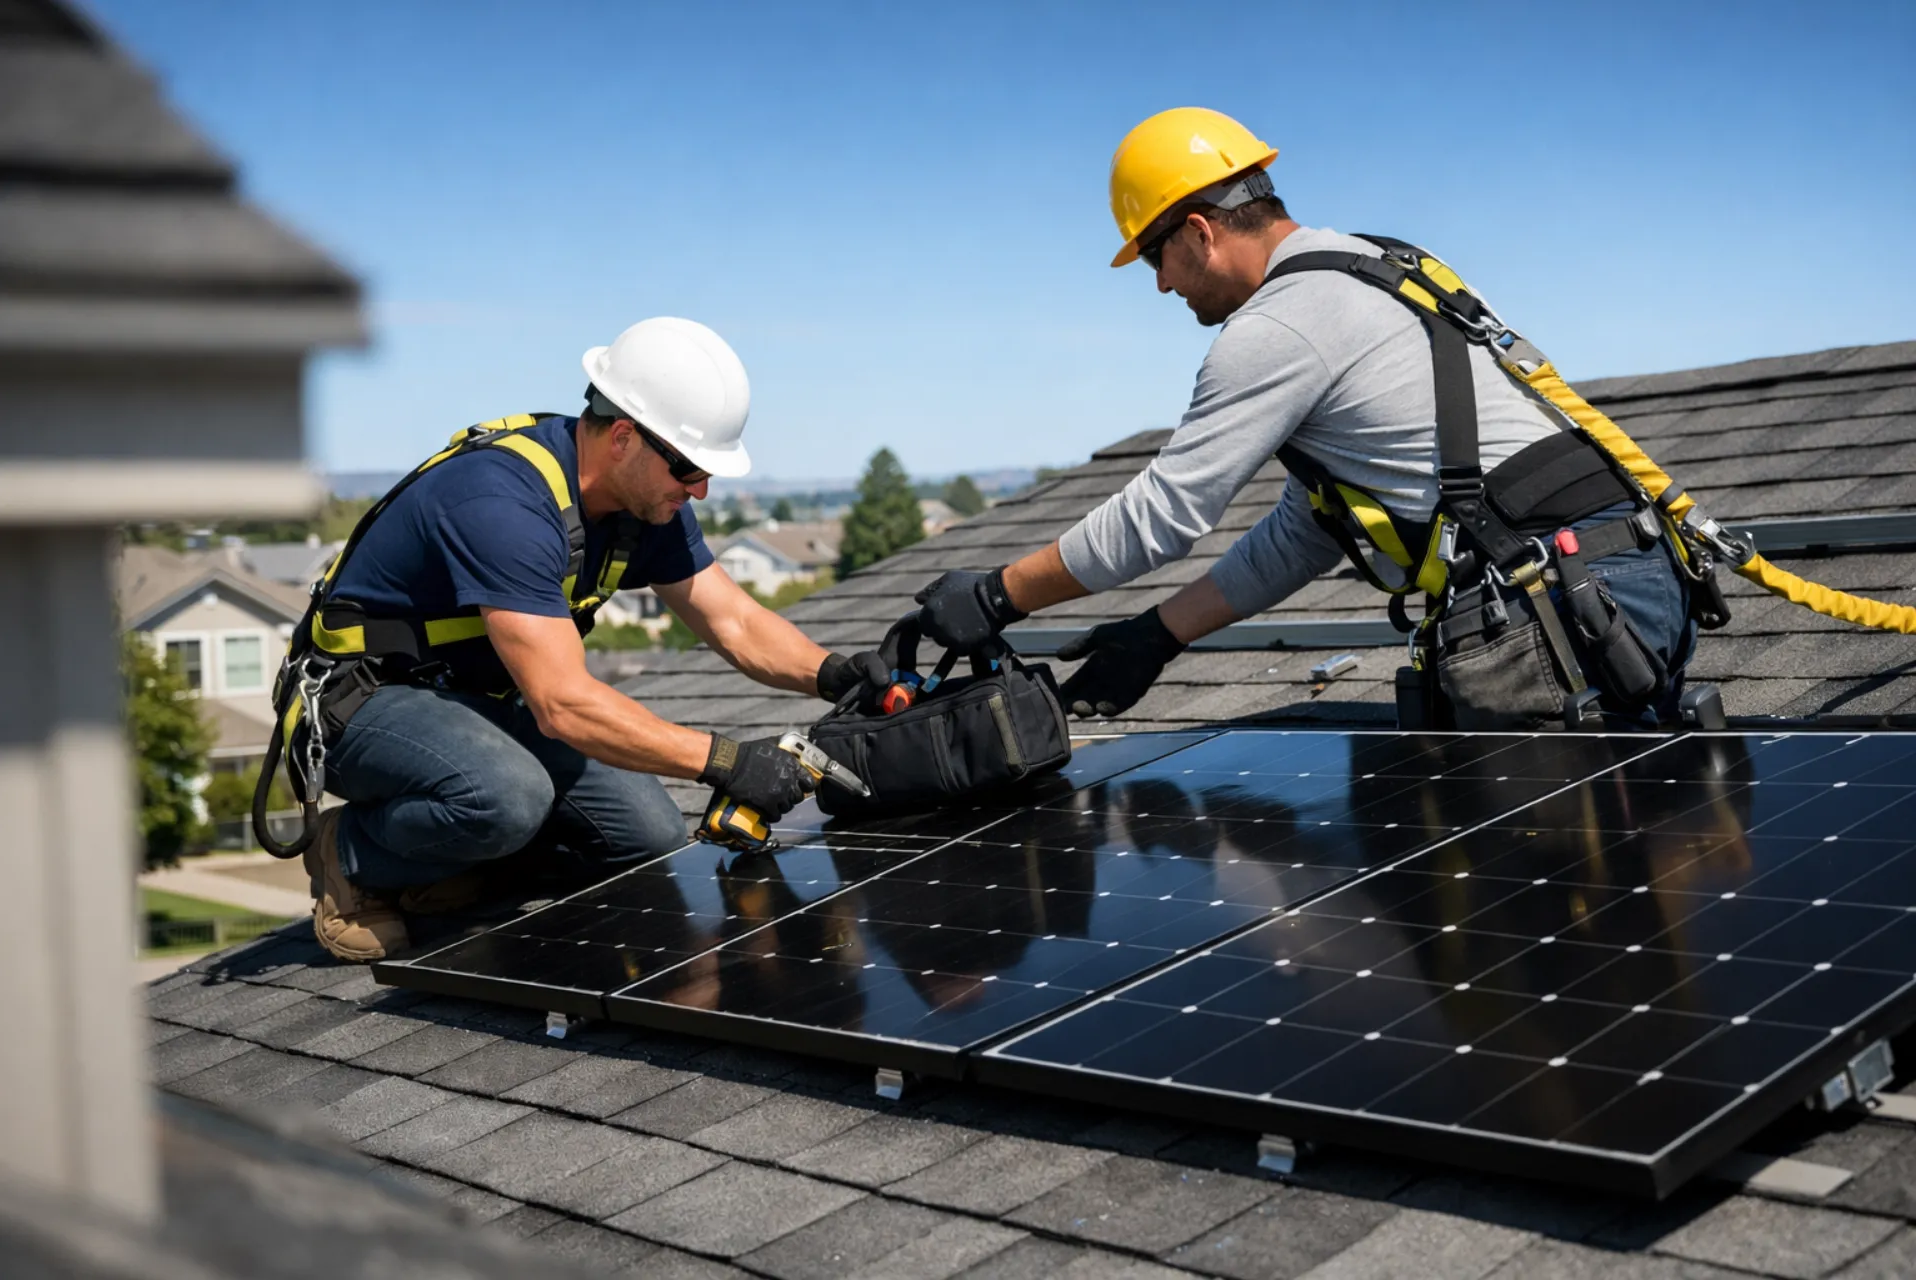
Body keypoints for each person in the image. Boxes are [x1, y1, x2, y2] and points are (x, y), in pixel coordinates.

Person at [912, 107, 1697, 733]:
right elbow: (1313, 526)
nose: (1159, 287)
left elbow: (1163, 515)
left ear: (1198, 231)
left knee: (1547, 894)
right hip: (1619, 573)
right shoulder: (1383, 264)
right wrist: (1159, 632)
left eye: (1154, 258)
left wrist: (995, 596)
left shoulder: (1273, 331)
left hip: (1561, 602)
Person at [296, 318, 888, 962]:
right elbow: (564, 704)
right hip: (363, 700)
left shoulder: (644, 504)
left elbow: (734, 622)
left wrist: (836, 673)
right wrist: (728, 762)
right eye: (689, 469)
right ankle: (352, 851)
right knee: (506, 799)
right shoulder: (502, 502)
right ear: (625, 438)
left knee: (649, 838)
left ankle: (454, 861)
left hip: (483, 698)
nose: (700, 491)